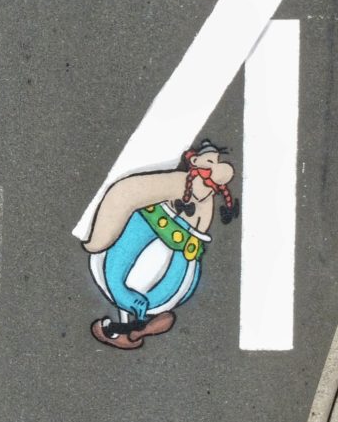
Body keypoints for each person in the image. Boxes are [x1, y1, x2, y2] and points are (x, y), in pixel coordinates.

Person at [83, 139, 239, 349]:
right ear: (194, 161)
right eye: (210, 161)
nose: (214, 168)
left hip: (179, 247)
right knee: (122, 270)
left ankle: (133, 324)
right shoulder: (177, 182)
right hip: (151, 227)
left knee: (158, 283)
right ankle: (128, 320)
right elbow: (134, 192)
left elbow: (200, 231)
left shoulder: (204, 197)